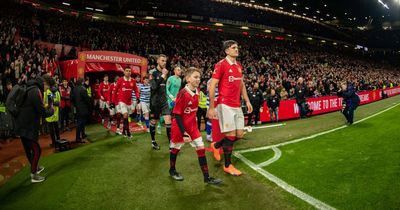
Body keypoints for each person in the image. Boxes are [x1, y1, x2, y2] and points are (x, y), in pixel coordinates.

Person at [169, 67, 222, 185]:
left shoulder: (198, 91)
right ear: (188, 79)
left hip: (193, 127)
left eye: (199, 77)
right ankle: (172, 170)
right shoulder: (182, 93)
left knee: (201, 148)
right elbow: (177, 115)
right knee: (176, 148)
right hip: (180, 127)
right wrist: (183, 132)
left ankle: (207, 178)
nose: (198, 79)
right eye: (195, 77)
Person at [208, 40, 253, 176]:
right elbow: (212, 85)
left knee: (239, 135)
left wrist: (247, 100)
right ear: (227, 50)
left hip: (237, 105)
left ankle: (215, 145)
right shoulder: (221, 65)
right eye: (234, 48)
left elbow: (241, 85)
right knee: (230, 135)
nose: (237, 49)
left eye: (237, 47)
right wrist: (211, 107)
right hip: (224, 104)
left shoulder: (239, 66)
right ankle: (227, 165)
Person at [13, 75, 54, 183]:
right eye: (47, 87)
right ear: (44, 83)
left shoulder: (30, 87)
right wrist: (51, 110)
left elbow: (31, 106)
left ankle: (35, 168)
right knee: (37, 150)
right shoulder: (35, 91)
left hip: (21, 124)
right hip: (27, 126)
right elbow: (42, 112)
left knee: (29, 149)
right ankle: (34, 175)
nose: (47, 90)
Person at [149, 54, 172, 150]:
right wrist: (162, 76)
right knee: (154, 121)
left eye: (165, 61)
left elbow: (163, 87)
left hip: (164, 101)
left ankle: (171, 145)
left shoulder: (166, 73)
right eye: (162, 60)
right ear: (157, 61)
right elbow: (154, 87)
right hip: (155, 102)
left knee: (168, 121)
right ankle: (153, 141)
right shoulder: (152, 73)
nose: (164, 62)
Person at [112, 66, 139, 139]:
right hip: (122, 101)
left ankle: (124, 130)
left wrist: (137, 96)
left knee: (126, 117)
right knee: (125, 115)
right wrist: (112, 101)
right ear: (124, 72)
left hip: (129, 102)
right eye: (126, 71)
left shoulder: (133, 81)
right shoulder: (120, 80)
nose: (128, 72)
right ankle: (128, 132)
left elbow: (136, 90)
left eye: (129, 71)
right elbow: (115, 91)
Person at [73, 77, 91, 143]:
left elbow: (72, 98)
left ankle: (82, 135)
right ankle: (78, 137)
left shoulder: (74, 88)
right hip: (83, 108)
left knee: (80, 122)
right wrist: (89, 106)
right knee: (81, 123)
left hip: (77, 108)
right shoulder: (83, 89)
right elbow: (87, 100)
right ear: (82, 82)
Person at [44, 80, 61, 148]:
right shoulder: (57, 92)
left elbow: (46, 103)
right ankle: (59, 140)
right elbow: (59, 102)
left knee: (51, 129)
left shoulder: (47, 92)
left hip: (50, 113)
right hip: (56, 113)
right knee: (56, 128)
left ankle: (54, 143)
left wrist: (46, 105)